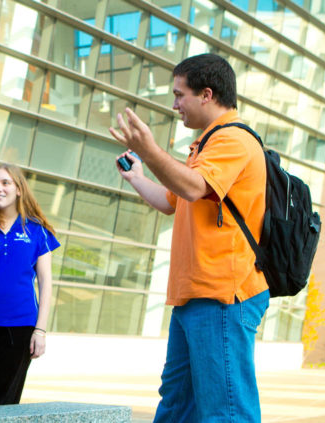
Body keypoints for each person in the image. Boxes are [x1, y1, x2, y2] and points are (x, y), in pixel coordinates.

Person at [108, 53, 270, 421]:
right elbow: (171, 200)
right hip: (195, 295)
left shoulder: (234, 140)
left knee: (226, 410)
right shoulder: (204, 146)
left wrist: (150, 150)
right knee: (177, 406)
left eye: (180, 94)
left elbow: (194, 188)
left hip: (222, 295)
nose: (175, 104)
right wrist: (137, 176)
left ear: (207, 94)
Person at [0, 164, 58, 407]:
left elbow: (46, 284)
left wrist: (40, 330)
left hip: (20, 324)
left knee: (6, 402)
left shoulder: (38, 231)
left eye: (5, 183)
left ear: (19, 190)